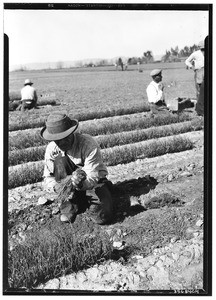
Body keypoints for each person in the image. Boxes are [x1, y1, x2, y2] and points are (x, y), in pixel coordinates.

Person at [40, 112, 113, 225]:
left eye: (66, 137)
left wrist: (80, 183)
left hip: (93, 183)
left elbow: (93, 176)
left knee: (102, 217)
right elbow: (48, 177)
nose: (63, 142)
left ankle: (102, 192)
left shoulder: (88, 144)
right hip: (69, 188)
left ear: (72, 132)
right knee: (60, 160)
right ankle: (71, 203)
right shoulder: (52, 149)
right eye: (58, 140)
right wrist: (56, 186)